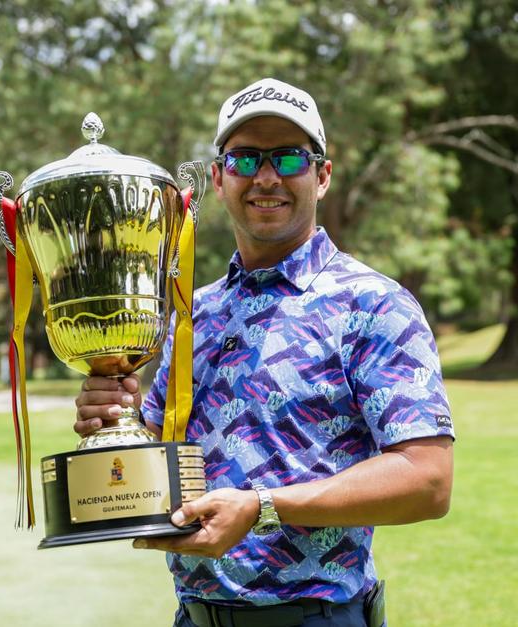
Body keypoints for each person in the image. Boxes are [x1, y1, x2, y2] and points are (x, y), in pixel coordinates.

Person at [74, 78, 455, 627]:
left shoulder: (374, 305)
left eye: (289, 158)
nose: (267, 177)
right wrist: (111, 421)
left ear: (322, 176)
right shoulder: (193, 314)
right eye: (246, 159)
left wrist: (262, 508)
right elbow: (156, 463)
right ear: (217, 179)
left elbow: (428, 481)